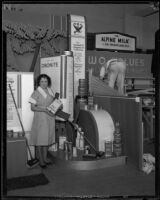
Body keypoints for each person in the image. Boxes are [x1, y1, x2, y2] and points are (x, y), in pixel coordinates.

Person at [28, 74, 55, 168]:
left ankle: (45, 158)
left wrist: (59, 105)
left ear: (48, 82)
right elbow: (32, 108)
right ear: (38, 82)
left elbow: (54, 103)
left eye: (46, 81)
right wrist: (44, 109)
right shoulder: (36, 92)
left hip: (50, 118)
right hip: (41, 118)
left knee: (47, 138)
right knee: (40, 139)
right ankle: (41, 160)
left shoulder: (50, 91)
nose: (44, 83)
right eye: (42, 81)